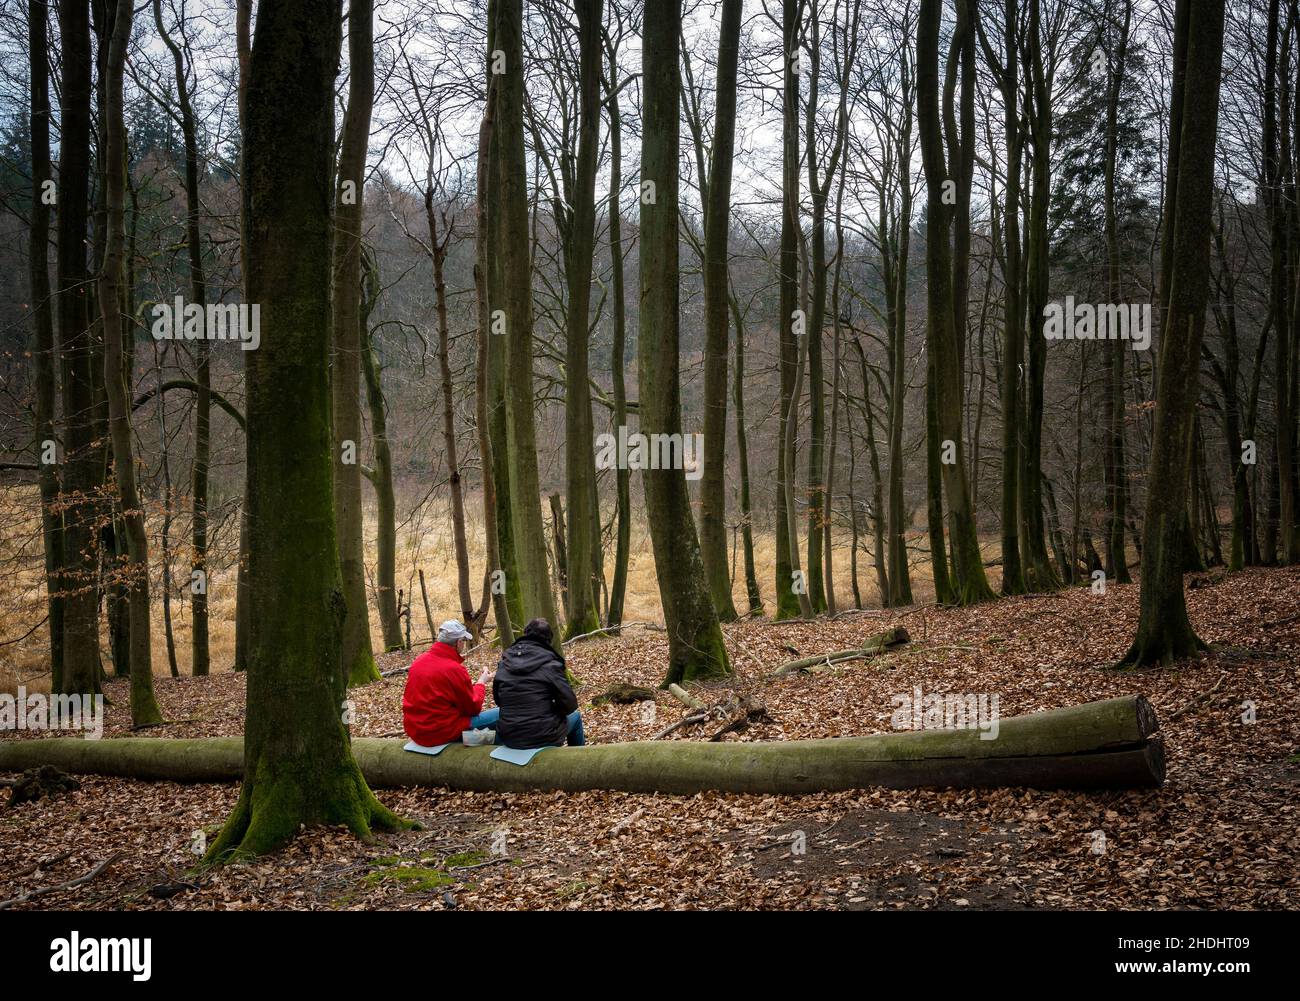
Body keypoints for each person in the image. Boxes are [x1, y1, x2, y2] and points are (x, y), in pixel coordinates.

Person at [402, 619, 498, 746]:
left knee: (490, 733)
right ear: (458, 642)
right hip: (442, 733)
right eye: (464, 641)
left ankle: (481, 739)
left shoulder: (419, 661)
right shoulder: (453, 669)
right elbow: (473, 708)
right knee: (502, 715)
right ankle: (490, 740)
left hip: (417, 732)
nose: (464, 644)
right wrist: (481, 683)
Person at [493, 618, 585, 749]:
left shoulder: (504, 662)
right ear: (548, 640)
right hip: (542, 736)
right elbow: (569, 705)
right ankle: (577, 763)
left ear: (525, 634)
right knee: (575, 718)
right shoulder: (551, 664)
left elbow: (498, 700)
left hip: (509, 736)